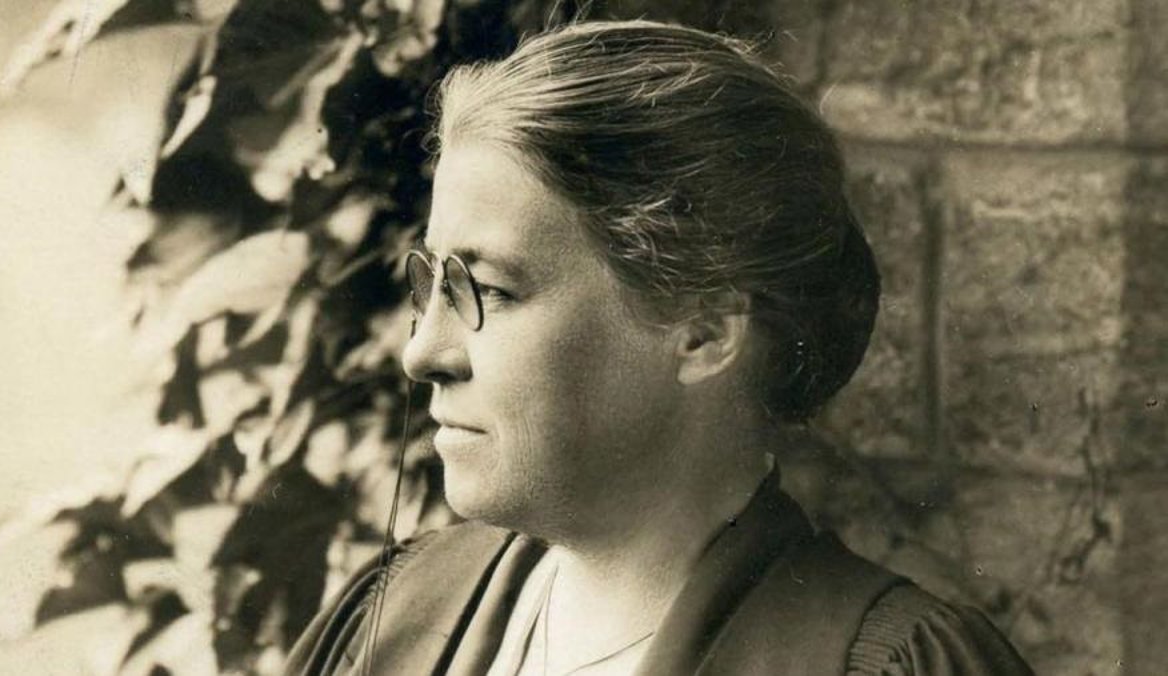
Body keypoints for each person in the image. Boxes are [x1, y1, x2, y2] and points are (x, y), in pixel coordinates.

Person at [284, 19, 1032, 676]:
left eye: (492, 290)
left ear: (704, 331)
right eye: (433, 284)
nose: (421, 354)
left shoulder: (889, 663)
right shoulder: (393, 616)